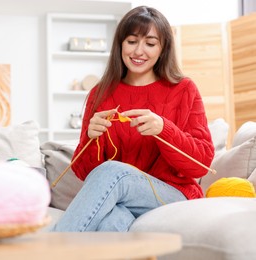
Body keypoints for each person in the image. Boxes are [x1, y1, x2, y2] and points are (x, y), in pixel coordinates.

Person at [51, 6, 215, 232]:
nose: (139, 51)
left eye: (150, 43)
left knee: (113, 172)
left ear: (162, 48)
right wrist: (92, 137)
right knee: (112, 223)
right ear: (120, 44)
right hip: (122, 200)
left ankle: (50, 251)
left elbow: (202, 164)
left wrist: (163, 129)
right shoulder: (100, 94)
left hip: (173, 196)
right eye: (131, 41)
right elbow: (83, 173)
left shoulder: (184, 89)